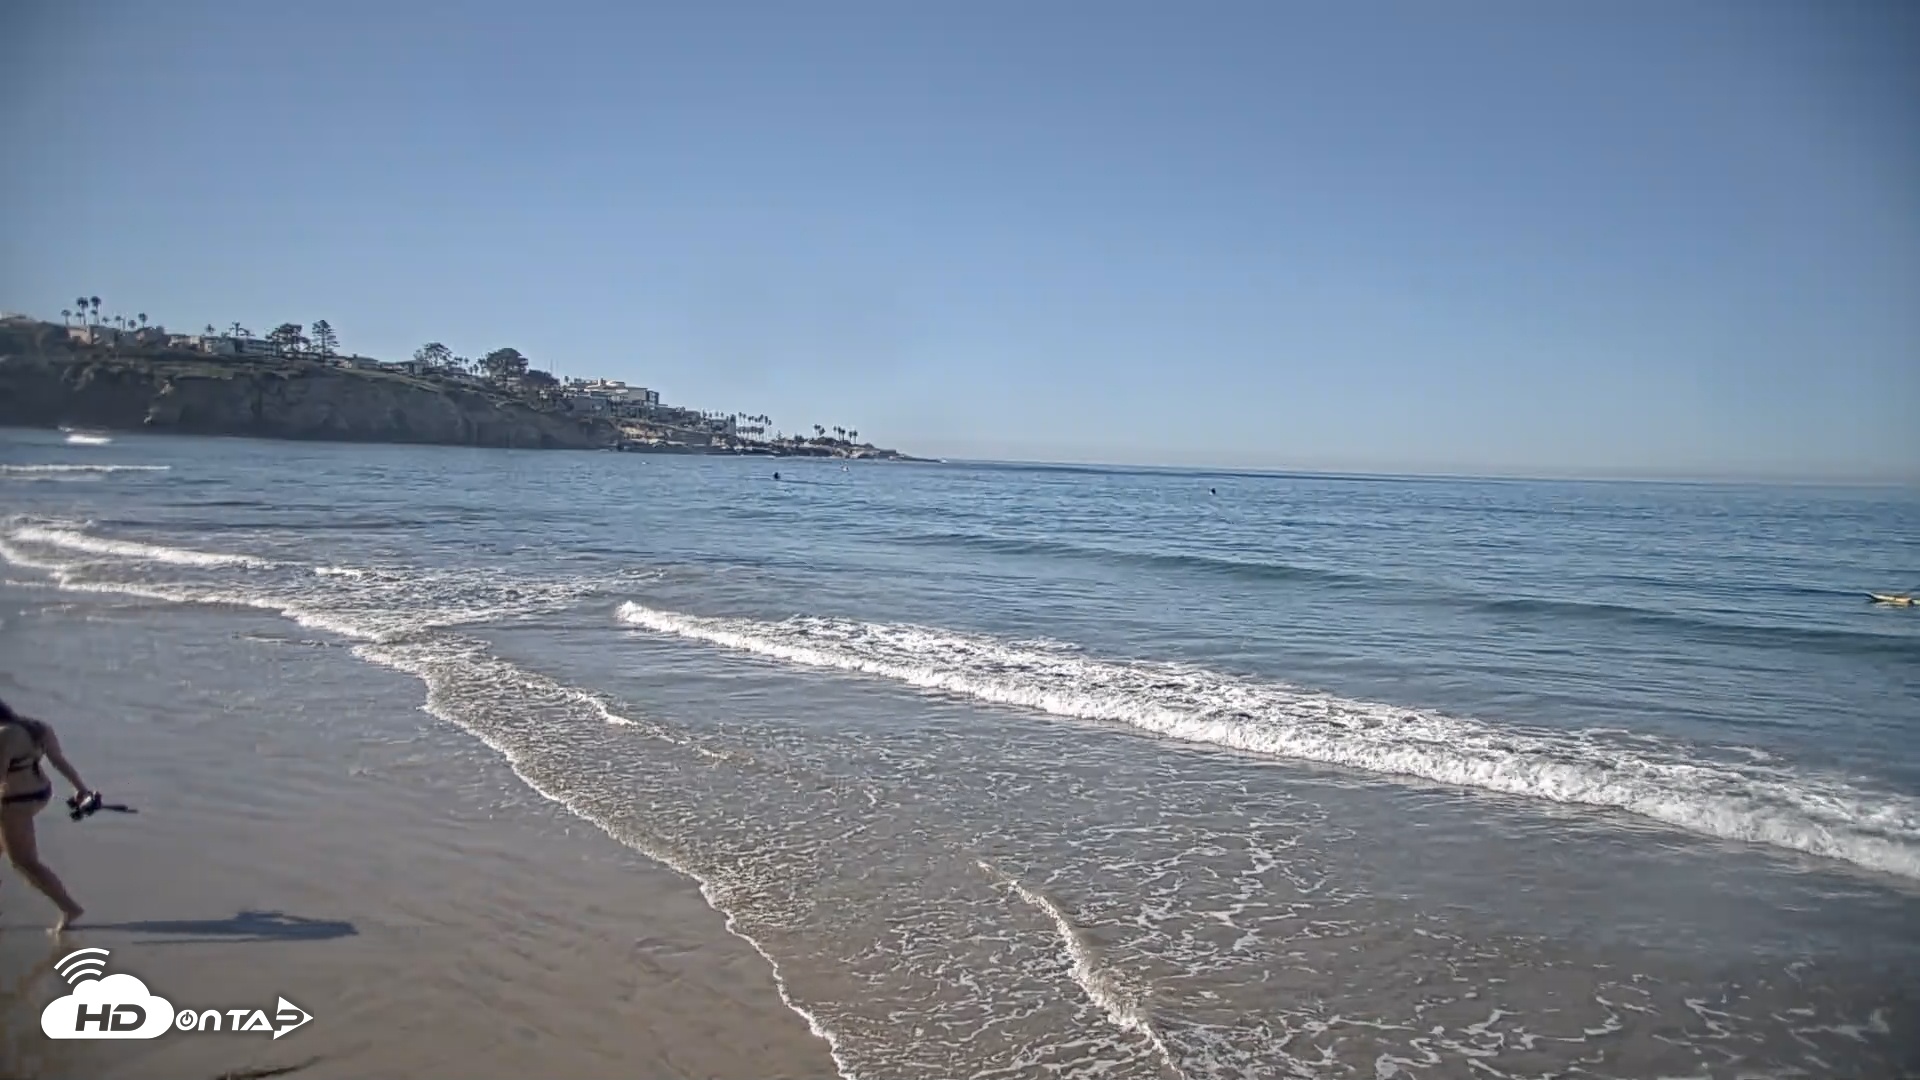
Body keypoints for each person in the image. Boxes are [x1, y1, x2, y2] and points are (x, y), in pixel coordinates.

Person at [0, 698, 89, 931]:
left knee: (24, 861)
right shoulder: (36, 727)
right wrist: (80, 789)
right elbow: (58, 761)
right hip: (40, 793)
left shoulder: (3, 735)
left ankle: (69, 908)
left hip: (14, 804)